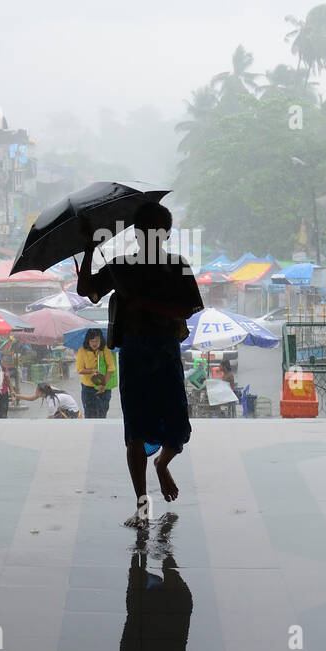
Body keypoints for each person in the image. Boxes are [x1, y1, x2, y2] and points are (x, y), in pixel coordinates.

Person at [77, 200, 204, 525]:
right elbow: (87, 290)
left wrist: (143, 303)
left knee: (170, 426)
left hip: (158, 354)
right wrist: (90, 251)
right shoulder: (124, 266)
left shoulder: (175, 266)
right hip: (139, 356)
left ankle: (161, 467)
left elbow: (187, 309)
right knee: (137, 430)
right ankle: (143, 502)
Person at [75, 327, 116, 419]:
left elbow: (111, 368)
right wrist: (92, 371)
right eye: (92, 341)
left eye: (97, 340)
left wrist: (103, 384)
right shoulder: (82, 351)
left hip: (104, 388)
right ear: (88, 341)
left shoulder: (105, 349)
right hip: (88, 388)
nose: (95, 343)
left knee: (102, 414)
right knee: (89, 414)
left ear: (101, 340)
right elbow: (79, 369)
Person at [14, 382, 82, 418]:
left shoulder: (52, 402)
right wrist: (17, 395)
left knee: (52, 422)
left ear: (41, 393)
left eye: (36, 390)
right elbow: (32, 398)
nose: (35, 392)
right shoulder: (48, 389)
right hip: (66, 408)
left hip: (72, 412)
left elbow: (51, 420)